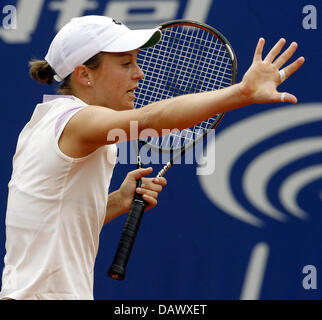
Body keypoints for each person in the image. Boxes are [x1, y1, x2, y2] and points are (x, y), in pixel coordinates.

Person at [0, 15, 304, 300]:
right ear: (84, 74)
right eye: (125, 63)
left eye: (136, 62)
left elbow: (54, 224)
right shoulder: (75, 122)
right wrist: (242, 93)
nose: (139, 74)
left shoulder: (45, 121)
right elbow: (149, 119)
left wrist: (118, 201)